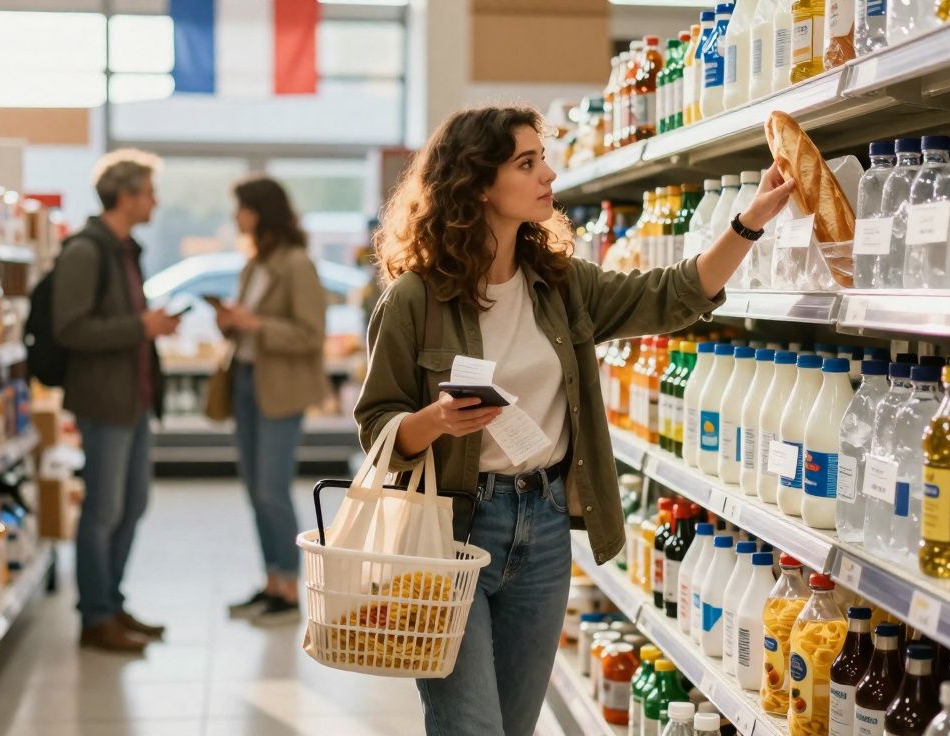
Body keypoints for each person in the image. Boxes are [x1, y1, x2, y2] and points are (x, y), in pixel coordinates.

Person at [355, 106, 794, 736]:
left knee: (516, 723)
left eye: (543, 159)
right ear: (478, 183)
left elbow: (671, 295)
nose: (548, 174)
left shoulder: (559, 285)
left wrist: (750, 222)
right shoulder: (416, 299)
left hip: (543, 525)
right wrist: (436, 421)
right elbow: (377, 425)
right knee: (469, 725)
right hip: (451, 530)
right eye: (527, 163)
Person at [52, 149, 180, 653]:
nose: (155, 200)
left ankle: (112, 601)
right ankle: (95, 617)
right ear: (125, 196)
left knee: (132, 505)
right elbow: (70, 327)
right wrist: (140, 327)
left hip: (134, 398)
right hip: (104, 401)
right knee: (103, 510)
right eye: (149, 191)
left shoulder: (127, 249)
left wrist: (148, 328)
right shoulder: (86, 251)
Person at [216, 177, 327, 624]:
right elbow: (251, 323)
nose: (236, 216)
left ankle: (290, 591)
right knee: (254, 491)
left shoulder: (296, 264)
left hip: (279, 391)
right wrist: (232, 322)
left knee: (271, 490)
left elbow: (309, 334)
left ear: (262, 211)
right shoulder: (254, 265)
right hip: (245, 382)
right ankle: (271, 582)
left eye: (242, 208)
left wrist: (256, 324)